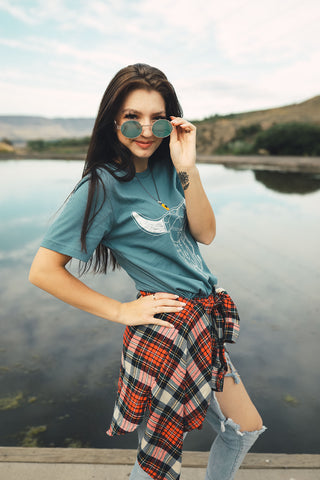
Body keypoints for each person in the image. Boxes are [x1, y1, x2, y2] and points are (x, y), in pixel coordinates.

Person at [29, 63, 266, 480]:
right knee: (157, 461)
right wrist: (121, 311)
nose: (145, 130)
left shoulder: (170, 167)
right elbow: (44, 271)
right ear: (112, 122)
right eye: (132, 118)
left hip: (202, 323)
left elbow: (206, 234)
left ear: (170, 123)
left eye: (157, 119)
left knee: (243, 428)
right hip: (166, 328)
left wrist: (187, 166)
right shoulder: (102, 186)